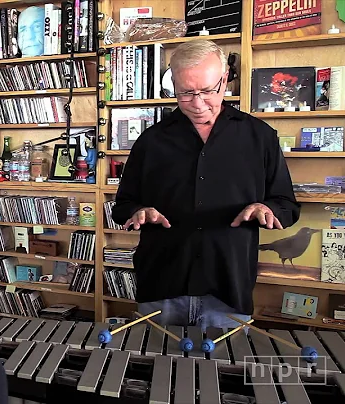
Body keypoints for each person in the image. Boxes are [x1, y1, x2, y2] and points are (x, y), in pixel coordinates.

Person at [112, 40, 300, 331]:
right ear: (173, 85)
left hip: (228, 288)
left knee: (224, 374)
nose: (198, 103)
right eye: (186, 93)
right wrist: (138, 211)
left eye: (208, 91)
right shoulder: (150, 141)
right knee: (156, 371)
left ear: (224, 80)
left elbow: (286, 206)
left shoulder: (260, 137)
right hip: (162, 284)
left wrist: (265, 208)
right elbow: (122, 206)